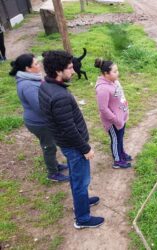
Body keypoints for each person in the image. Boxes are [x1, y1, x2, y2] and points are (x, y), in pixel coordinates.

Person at [39, 50, 104, 229]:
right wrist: (85, 148)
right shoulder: (59, 96)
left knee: (77, 179)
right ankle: (82, 218)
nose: (74, 71)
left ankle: (81, 202)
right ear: (58, 71)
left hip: (65, 143)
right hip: (74, 146)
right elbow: (69, 129)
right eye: (69, 68)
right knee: (81, 181)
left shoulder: (46, 85)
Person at [9, 53, 69, 182]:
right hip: (39, 123)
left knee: (51, 144)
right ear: (27, 68)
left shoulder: (32, 78)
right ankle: (52, 173)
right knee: (49, 146)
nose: (39, 65)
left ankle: (55, 165)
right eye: (36, 64)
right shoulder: (28, 85)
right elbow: (41, 107)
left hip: (42, 120)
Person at [94, 58, 132, 169]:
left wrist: (126, 112)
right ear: (106, 73)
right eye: (114, 72)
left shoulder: (114, 82)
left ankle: (122, 153)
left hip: (121, 118)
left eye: (117, 70)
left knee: (120, 137)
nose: (117, 73)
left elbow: (121, 96)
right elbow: (103, 109)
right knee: (115, 139)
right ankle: (117, 160)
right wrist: (116, 119)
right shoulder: (103, 89)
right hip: (113, 122)